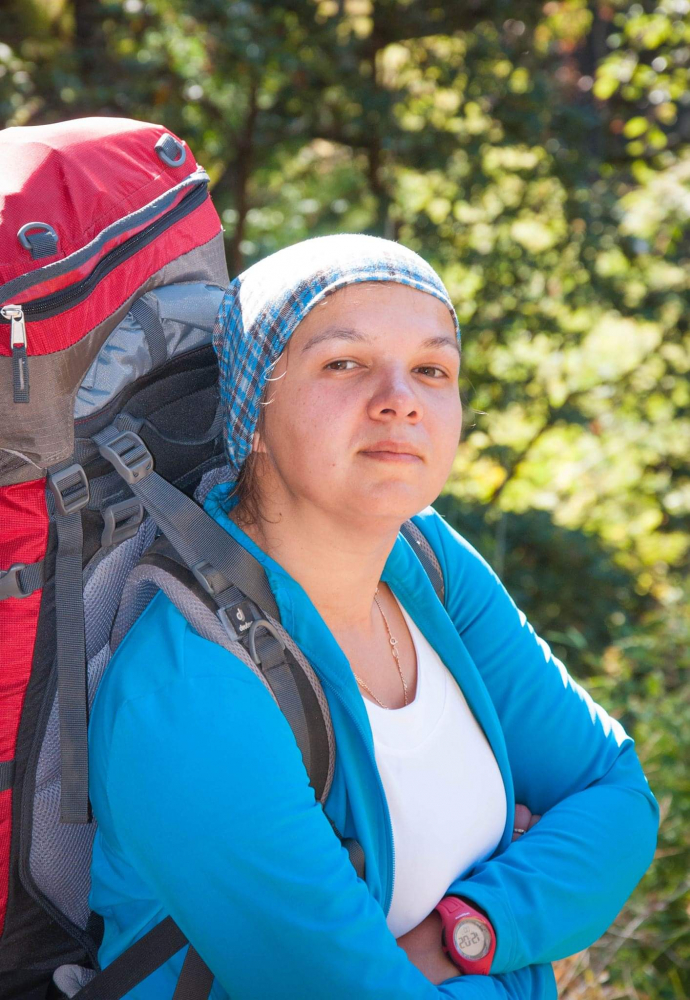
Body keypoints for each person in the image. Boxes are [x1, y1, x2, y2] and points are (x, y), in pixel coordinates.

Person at [88, 234, 659, 999]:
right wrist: (531, 939)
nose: (401, 399)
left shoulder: (422, 555)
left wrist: (471, 930)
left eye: (432, 369)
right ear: (252, 411)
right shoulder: (190, 691)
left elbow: (615, 793)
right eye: (344, 363)